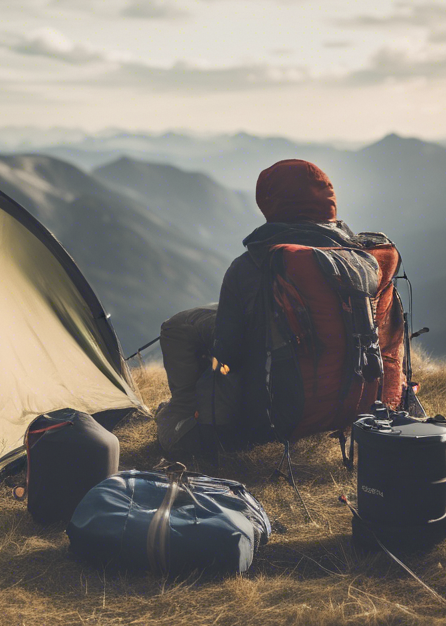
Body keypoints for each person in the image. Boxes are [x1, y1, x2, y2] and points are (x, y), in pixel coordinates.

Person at [157, 158, 389, 457]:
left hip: (270, 418)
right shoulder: (362, 259)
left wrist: (212, 393)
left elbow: (228, 359)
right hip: (349, 405)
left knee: (177, 327)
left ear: (269, 203)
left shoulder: (251, 266)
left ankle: (181, 416)